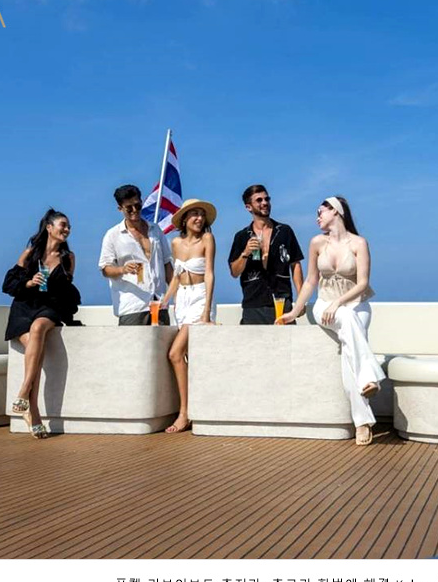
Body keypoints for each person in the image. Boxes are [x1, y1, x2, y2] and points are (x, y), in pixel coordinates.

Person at [277, 196, 384, 446]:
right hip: (325, 305)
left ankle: (362, 423)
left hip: (356, 305)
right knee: (344, 318)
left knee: (348, 351)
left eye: (321, 212)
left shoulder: (359, 243)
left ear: (335, 211)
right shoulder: (317, 243)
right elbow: (311, 281)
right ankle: (369, 377)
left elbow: (363, 284)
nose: (317, 217)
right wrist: (294, 311)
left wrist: (339, 303)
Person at [3, 209, 81, 439]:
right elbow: (9, 284)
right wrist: (29, 282)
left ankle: (24, 391)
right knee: (35, 353)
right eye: (63, 225)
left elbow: (68, 291)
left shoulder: (68, 258)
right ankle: (32, 410)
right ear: (49, 227)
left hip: (50, 308)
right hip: (24, 308)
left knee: (38, 328)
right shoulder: (30, 254)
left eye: (68, 226)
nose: (67, 229)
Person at [159, 199, 217, 434]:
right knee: (189, 357)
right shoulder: (175, 243)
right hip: (181, 300)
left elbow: (210, 274)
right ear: (184, 219)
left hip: (200, 297)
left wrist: (206, 312)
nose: (199, 218)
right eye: (194, 214)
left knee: (175, 353)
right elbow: (176, 277)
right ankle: (194, 409)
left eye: (202, 214)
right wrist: (164, 302)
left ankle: (184, 413)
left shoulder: (207, 239)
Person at [98, 184, 174, 325]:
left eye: (137, 206)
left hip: (159, 303)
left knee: (162, 340)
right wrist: (123, 269)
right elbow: (105, 269)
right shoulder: (112, 235)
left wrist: (177, 293)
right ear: (120, 209)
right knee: (131, 341)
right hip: (133, 306)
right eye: (129, 208)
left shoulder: (156, 230)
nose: (134, 210)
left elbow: (166, 264)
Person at [228, 184, 304, 325]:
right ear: (248, 207)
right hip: (253, 305)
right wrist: (245, 253)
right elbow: (234, 272)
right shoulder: (241, 236)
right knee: (252, 340)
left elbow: (295, 264)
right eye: (259, 200)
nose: (265, 203)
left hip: (282, 302)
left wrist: (301, 298)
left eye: (267, 199)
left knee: (286, 339)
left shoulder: (284, 231)